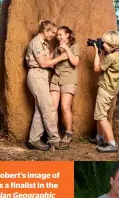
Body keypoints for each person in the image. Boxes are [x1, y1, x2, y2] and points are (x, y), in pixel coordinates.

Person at [25, 20, 69, 151]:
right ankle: (55, 140)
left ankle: (33, 140)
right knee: (49, 108)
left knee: (40, 109)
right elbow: (44, 64)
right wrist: (61, 58)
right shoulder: (36, 42)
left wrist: (57, 52)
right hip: (36, 76)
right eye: (53, 32)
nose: (54, 35)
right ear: (45, 31)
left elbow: (46, 60)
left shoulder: (44, 43)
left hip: (42, 76)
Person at [89, 30, 119, 153]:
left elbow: (96, 68)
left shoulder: (110, 57)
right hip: (113, 88)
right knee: (103, 114)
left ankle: (111, 143)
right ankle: (100, 137)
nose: (102, 44)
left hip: (105, 89)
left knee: (101, 116)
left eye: (104, 43)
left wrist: (97, 53)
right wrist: (104, 49)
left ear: (110, 43)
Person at [49, 25, 80, 148]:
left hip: (69, 80)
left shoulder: (74, 47)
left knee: (65, 107)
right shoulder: (56, 49)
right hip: (56, 79)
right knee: (52, 107)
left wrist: (66, 49)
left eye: (60, 34)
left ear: (67, 35)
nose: (58, 37)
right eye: (57, 35)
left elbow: (75, 62)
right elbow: (50, 63)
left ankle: (68, 133)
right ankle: (53, 134)